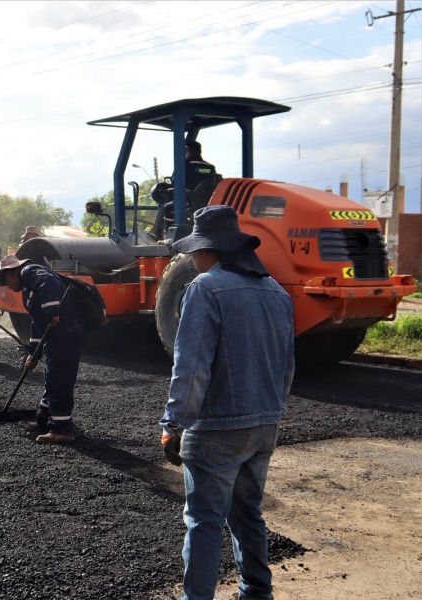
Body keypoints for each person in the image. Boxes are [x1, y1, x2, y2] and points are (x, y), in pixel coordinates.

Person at [158, 205, 294, 600]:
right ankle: (256, 591)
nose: (191, 258)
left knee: (204, 520)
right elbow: (286, 367)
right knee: (247, 512)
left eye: (193, 251)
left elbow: (191, 366)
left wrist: (173, 425)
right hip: (264, 426)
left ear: (208, 250)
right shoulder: (277, 293)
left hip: (217, 428)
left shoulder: (205, 288)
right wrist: (271, 414)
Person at [0, 256, 85, 444]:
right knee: (51, 376)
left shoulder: (30, 272)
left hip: (66, 335)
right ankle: (43, 419)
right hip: (56, 338)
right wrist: (34, 353)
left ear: (12, 273)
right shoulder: (26, 289)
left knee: (59, 379)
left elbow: (50, 283)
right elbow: (38, 325)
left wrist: (51, 311)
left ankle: (61, 429)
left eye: (6, 281)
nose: (7, 286)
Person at [152, 140, 218, 240]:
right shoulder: (210, 167)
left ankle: (163, 235)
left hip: (188, 202)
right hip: (208, 203)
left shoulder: (184, 165)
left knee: (167, 206)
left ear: (189, 151)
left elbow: (175, 185)